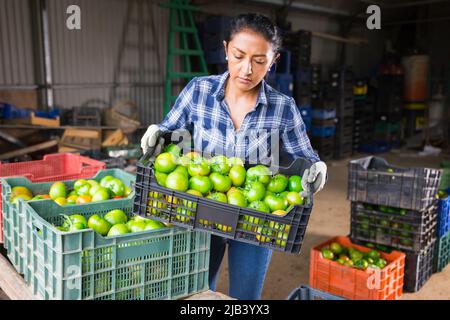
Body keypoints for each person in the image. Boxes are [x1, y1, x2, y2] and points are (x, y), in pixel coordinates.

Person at [141, 13, 327, 300]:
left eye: (259, 60)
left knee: (245, 298)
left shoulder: (283, 108)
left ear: (273, 60)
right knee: (198, 293)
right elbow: (169, 130)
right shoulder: (199, 91)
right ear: (226, 49)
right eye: (239, 55)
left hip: (256, 219)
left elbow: (305, 155)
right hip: (201, 210)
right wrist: (157, 132)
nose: (246, 69)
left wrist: (317, 167)